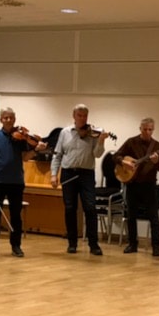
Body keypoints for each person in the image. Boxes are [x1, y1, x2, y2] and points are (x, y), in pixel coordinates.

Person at [0, 107, 46, 257]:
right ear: (1, 120)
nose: (8, 120)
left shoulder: (21, 138)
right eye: (6, 117)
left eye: (11, 117)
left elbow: (25, 158)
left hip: (16, 182)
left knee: (16, 215)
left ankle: (16, 246)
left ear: (14, 119)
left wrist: (36, 150)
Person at [50, 104, 105, 256]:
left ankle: (93, 244)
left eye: (85, 116)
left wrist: (101, 141)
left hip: (86, 174)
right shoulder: (65, 132)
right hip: (68, 173)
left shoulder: (93, 133)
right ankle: (72, 243)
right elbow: (57, 154)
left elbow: (97, 154)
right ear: (74, 116)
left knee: (90, 208)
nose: (82, 118)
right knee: (70, 208)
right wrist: (54, 174)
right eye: (79, 115)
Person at [115, 117, 159, 256]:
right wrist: (124, 162)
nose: (147, 132)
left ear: (153, 130)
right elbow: (116, 156)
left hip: (149, 185)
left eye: (150, 130)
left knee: (153, 216)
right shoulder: (131, 142)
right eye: (145, 129)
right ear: (140, 129)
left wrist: (156, 162)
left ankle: (156, 247)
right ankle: (132, 244)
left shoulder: (157, 145)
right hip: (133, 184)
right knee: (131, 215)